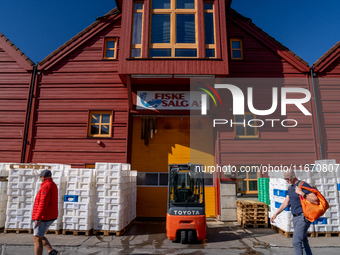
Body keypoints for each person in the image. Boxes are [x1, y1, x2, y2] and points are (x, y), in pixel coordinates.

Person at [270, 170, 319, 255]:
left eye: (287, 179)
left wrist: (302, 193)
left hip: (303, 217)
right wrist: (276, 214)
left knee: (296, 241)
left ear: (293, 176)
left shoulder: (303, 185)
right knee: (303, 241)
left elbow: (315, 199)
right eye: (285, 179)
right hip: (295, 217)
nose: (286, 180)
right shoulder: (290, 188)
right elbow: (285, 202)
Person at [32, 169, 59, 255]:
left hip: (44, 216)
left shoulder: (46, 186)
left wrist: (38, 218)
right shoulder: (53, 184)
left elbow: (43, 203)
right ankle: (51, 251)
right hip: (50, 214)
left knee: (37, 238)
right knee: (39, 235)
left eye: (40, 177)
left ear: (43, 177)